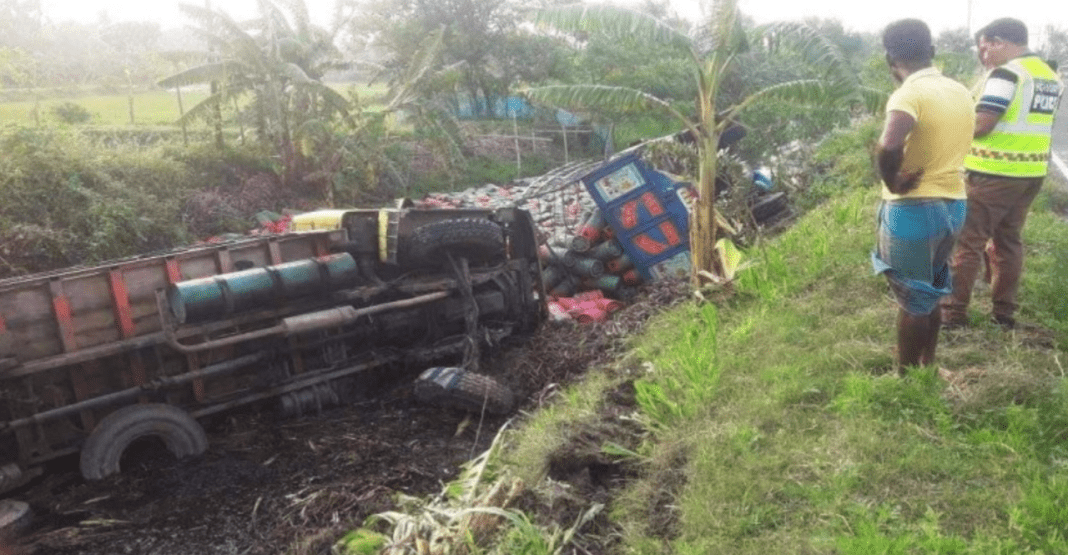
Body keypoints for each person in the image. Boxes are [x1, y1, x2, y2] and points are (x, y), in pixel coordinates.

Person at [941, 18, 1062, 330]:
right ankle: (1003, 315)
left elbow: (982, 124)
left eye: (985, 48)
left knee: (967, 243)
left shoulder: (1007, 73)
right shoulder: (1048, 75)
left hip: (993, 172)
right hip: (1030, 171)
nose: (983, 56)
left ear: (1000, 43)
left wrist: (946, 128)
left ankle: (953, 315)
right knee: (1008, 243)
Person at [871, 19, 974, 372]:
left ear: (890, 58)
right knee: (929, 291)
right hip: (954, 205)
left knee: (914, 300)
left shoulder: (908, 94)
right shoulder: (959, 90)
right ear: (931, 51)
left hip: (913, 210)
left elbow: (888, 145)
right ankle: (927, 366)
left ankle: (905, 380)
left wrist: (893, 179)